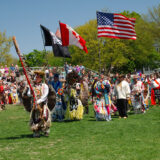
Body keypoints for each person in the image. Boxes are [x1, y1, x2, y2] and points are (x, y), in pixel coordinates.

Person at [29, 71, 51, 138]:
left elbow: (45, 95)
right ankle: (36, 131)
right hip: (34, 105)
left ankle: (46, 129)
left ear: (41, 78)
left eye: (37, 77)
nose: (36, 78)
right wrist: (31, 92)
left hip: (42, 104)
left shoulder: (45, 86)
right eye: (35, 77)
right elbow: (28, 94)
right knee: (34, 117)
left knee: (45, 116)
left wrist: (38, 101)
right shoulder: (32, 86)